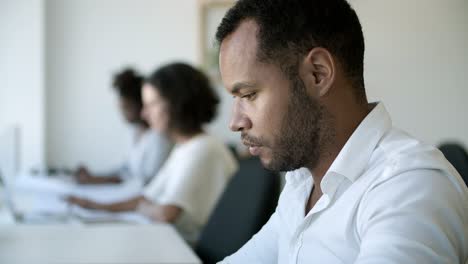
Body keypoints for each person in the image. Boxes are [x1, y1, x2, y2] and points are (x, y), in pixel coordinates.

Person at [216, 0, 468, 263]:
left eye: (248, 94)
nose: (235, 122)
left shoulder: (410, 188)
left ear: (318, 73)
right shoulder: (301, 183)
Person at [69, 62, 238, 245]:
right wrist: (95, 206)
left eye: (151, 104)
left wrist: (144, 208)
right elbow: (145, 198)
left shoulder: (203, 149)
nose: (144, 114)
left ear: (175, 104)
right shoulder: (184, 148)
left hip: (188, 252)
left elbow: (165, 214)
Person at [75, 68, 172, 185]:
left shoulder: (159, 138)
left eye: (127, 108)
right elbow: (126, 168)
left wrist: (103, 180)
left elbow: (148, 182)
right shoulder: (133, 131)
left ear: (142, 105)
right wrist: (94, 176)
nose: (123, 114)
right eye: (121, 108)